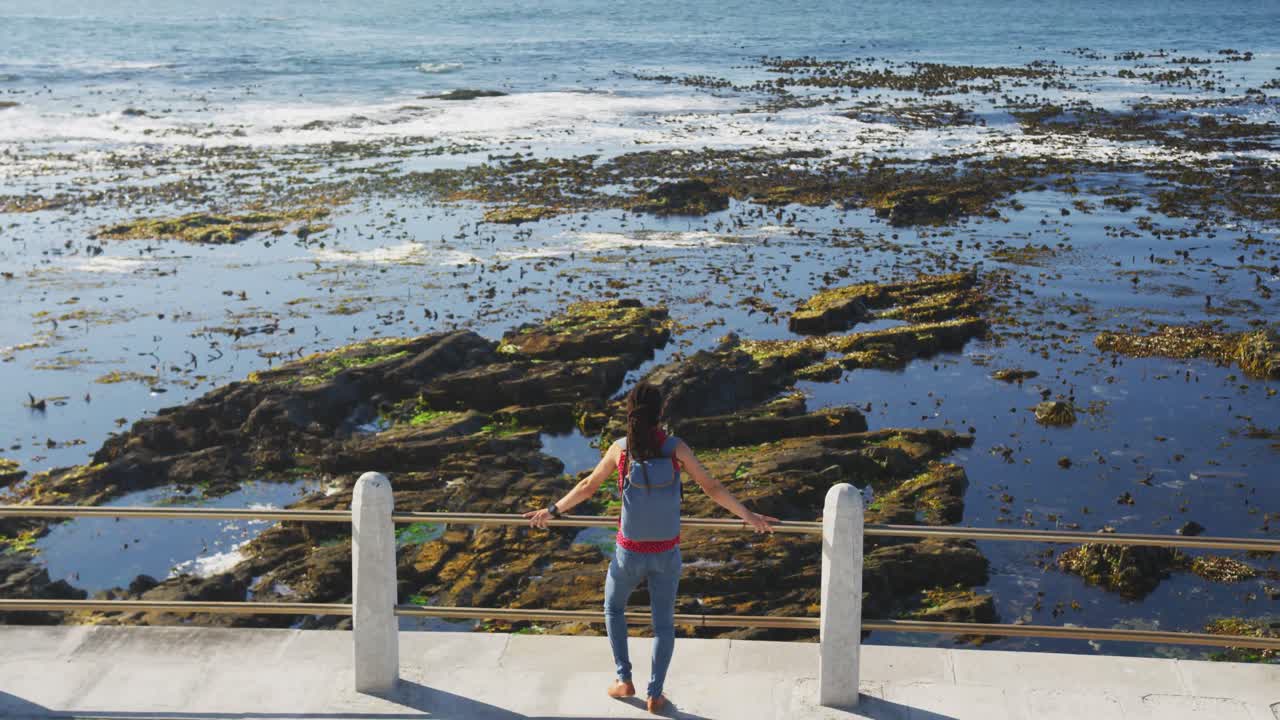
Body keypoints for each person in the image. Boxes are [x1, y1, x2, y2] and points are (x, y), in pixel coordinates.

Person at [524, 381, 778, 713]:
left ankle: (623, 680)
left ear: (629, 412)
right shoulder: (675, 448)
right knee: (663, 625)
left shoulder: (620, 449)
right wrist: (749, 514)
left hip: (628, 552)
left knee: (614, 610)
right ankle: (654, 694)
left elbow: (587, 487)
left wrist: (552, 510)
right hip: (666, 552)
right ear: (660, 413)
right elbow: (712, 487)